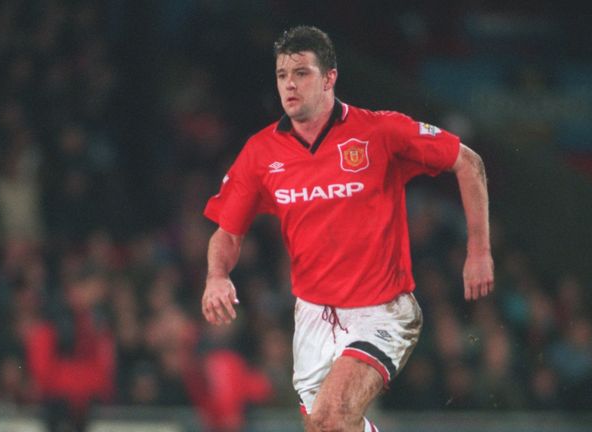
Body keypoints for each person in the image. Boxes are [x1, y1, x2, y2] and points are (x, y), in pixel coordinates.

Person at [201, 26, 494, 432]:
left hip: (382, 311)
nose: (290, 84)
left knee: (334, 417)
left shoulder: (379, 132)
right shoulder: (261, 153)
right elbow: (228, 233)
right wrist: (217, 276)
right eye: (283, 74)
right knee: (325, 427)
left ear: (330, 77)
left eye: (302, 73)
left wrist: (478, 250)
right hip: (313, 318)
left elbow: (468, 162)